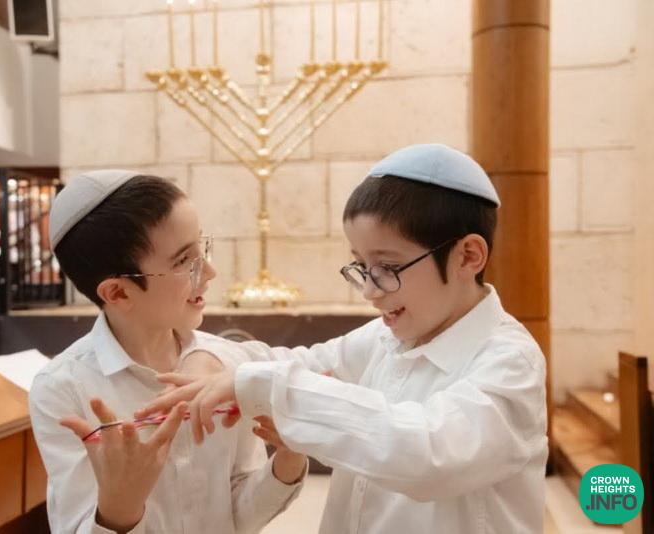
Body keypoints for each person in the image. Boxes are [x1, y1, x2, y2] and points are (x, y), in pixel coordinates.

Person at [140, 144, 549, 533]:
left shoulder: (509, 361)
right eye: (361, 267)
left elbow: (429, 455)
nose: (370, 291)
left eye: (388, 267)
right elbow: (300, 362)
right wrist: (212, 358)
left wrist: (267, 387)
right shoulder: (384, 339)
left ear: (468, 256)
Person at [28, 170, 307, 533]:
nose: (210, 272)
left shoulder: (225, 363)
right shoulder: (63, 388)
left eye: (202, 249)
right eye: (183, 261)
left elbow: (236, 516)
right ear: (118, 293)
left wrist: (288, 458)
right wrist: (118, 510)